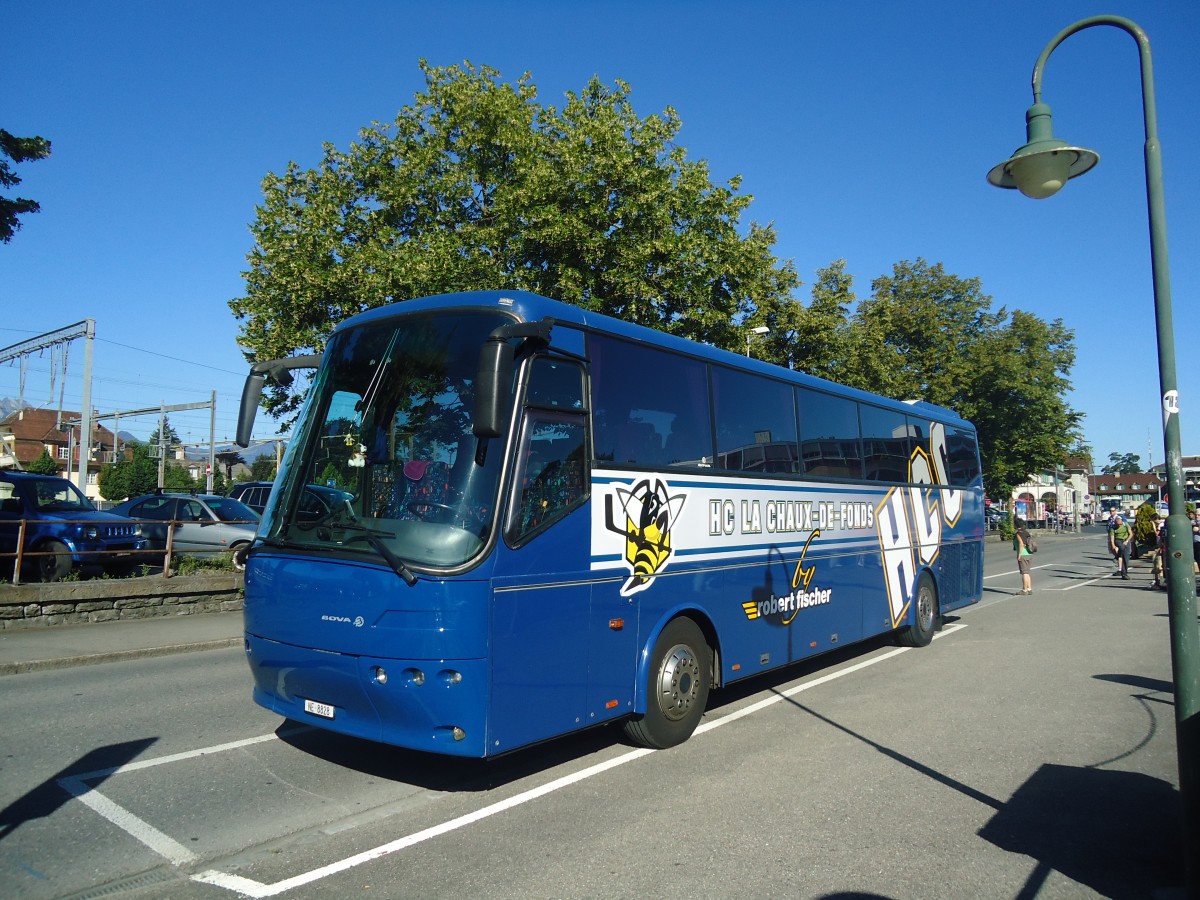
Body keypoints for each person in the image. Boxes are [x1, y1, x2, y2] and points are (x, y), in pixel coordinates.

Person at [1013, 516, 1034, 594]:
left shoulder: (1019, 533)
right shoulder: (1026, 532)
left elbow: (1021, 544)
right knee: (1027, 572)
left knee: (1024, 572)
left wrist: (1019, 554)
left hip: (1024, 554)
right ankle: (1029, 588)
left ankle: (1024, 589)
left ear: (1016, 525)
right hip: (1029, 553)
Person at [1110, 513, 1134, 580]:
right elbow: (1112, 537)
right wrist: (1113, 545)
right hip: (1118, 540)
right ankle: (1117, 556)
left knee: (1126, 558)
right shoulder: (1113, 527)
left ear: (1121, 521)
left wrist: (1127, 540)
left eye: (1119, 522)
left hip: (1126, 540)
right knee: (1122, 547)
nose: (1118, 524)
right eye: (1116, 522)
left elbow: (1131, 534)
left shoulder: (1125, 525)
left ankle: (1124, 574)